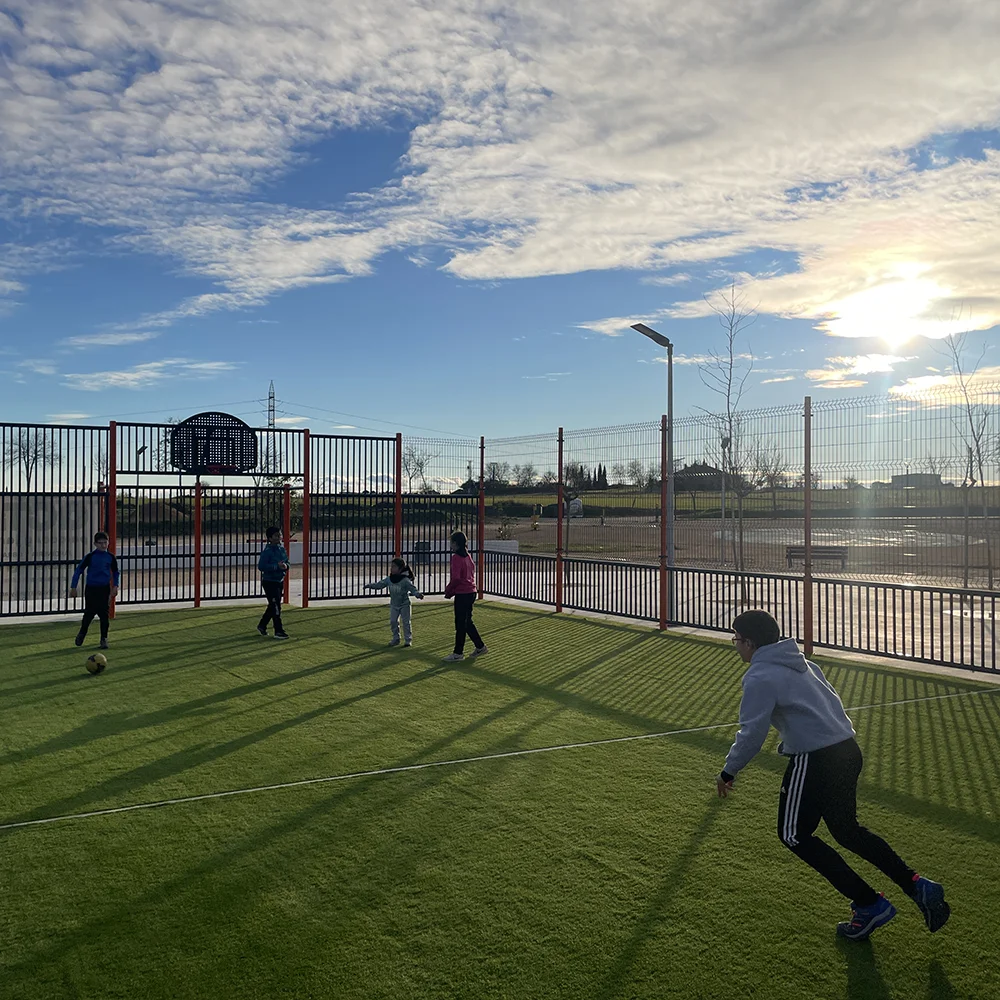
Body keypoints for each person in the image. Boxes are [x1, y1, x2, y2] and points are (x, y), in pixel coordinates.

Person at [717, 610, 949, 941]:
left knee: (794, 834)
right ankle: (917, 886)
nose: (735, 646)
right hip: (847, 750)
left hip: (816, 759)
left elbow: (752, 734)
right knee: (846, 830)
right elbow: (833, 703)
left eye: (736, 640)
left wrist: (728, 771)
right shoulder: (805, 664)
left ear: (751, 643)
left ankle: (869, 903)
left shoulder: (760, 676)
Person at [70, 531, 120, 650]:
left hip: (104, 589)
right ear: (95, 544)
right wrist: (73, 587)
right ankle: (82, 634)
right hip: (91, 589)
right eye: (100, 543)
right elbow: (78, 571)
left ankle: (104, 639)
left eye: (105, 542)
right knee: (89, 613)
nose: (103, 545)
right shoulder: (90, 557)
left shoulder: (110, 557)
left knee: (104, 615)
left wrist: (115, 586)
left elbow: (116, 572)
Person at [442, 530, 487, 662]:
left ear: (455, 543)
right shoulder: (468, 556)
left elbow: (456, 578)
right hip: (471, 591)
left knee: (461, 624)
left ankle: (458, 653)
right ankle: (480, 646)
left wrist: (449, 590)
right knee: (467, 622)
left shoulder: (456, 558)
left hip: (462, 593)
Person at [364, 558, 424, 646]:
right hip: (394, 605)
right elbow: (380, 585)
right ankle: (396, 638)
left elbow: (412, 589)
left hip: (405, 604)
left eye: (394, 567)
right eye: (391, 566)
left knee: (406, 622)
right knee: (393, 621)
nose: (391, 568)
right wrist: (370, 586)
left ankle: (408, 640)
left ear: (400, 569)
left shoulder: (405, 580)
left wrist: (417, 594)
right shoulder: (389, 579)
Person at [257, 526, 289, 639]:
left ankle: (262, 625)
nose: (278, 537)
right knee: (276, 606)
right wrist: (276, 566)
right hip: (269, 582)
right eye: (276, 535)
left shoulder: (282, 549)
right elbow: (261, 566)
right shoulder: (267, 551)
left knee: (273, 605)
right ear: (270, 538)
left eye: (279, 535)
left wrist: (286, 566)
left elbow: (287, 562)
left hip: (279, 581)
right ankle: (278, 630)